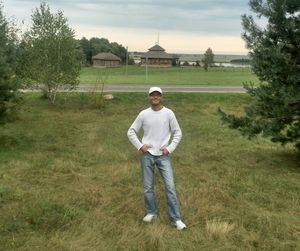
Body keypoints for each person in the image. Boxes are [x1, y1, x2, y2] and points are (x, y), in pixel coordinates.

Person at [127, 86, 186, 230]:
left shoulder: (169, 113)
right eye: (152, 95)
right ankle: (151, 212)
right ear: (149, 97)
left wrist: (170, 148)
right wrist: (140, 146)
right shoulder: (143, 114)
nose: (155, 97)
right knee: (148, 187)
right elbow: (131, 132)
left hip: (163, 156)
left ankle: (176, 218)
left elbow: (178, 132)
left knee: (170, 187)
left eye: (157, 95)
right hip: (147, 155)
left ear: (161, 97)